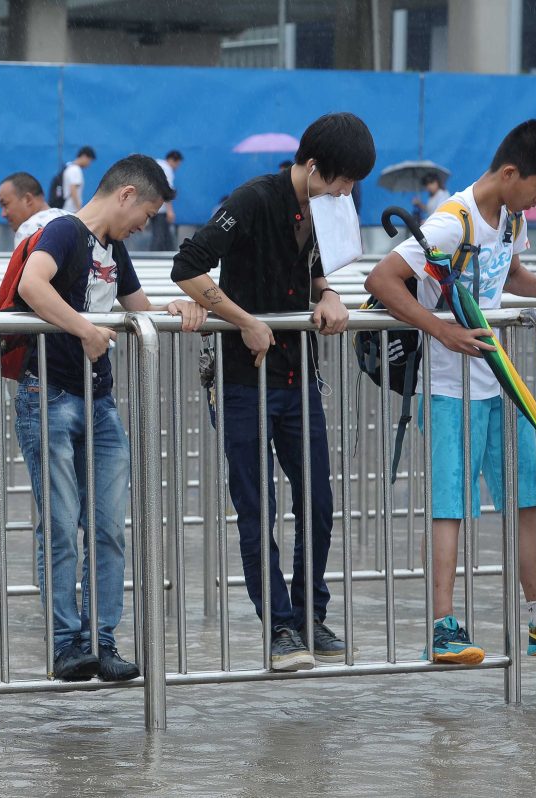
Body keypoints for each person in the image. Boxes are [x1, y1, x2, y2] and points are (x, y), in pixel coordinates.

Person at [366, 119, 536, 663]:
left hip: (498, 381)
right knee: (451, 507)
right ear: (509, 172)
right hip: (449, 388)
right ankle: (443, 627)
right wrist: (441, 329)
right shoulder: (451, 221)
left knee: (528, 497)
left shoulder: (511, 217)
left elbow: (509, 270)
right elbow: (380, 280)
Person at [172, 112, 375, 671]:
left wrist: (330, 293)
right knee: (257, 508)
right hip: (244, 380)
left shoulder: (328, 208)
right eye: (341, 181)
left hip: (297, 377)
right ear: (312, 168)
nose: (347, 192)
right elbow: (186, 266)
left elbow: (315, 269)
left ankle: (312, 614)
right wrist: (244, 319)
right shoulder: (254, 199)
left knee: (319, 503)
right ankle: (280, 628)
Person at [14, 154, 206, 681]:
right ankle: (66, 644)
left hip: (99, 401)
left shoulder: (113, 247)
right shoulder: (64, 233)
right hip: (49, 394)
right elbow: (33, 286)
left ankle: (101, 639)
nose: (144, 226)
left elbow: (136, 305)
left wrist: (173, 308)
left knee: (107, 526)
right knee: (59, 527)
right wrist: (84, 329)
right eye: (144, 215)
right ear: (125, 195)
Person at [0, 171, 67, 246]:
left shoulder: (29, 229)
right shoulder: (72, 218)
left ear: (27, 199)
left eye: (5, 204)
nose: (3, 214)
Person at [149, 150, 183, 251]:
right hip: (161, 209)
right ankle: (154, 258)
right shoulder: (167, 169)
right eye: (178, 164)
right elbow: (166, 191)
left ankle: (160, 254)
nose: (177, 167)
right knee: (160, 236)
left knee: (160, 234)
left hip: (150, 206)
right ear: (173, 160)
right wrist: (170, 211)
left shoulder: (157, 165)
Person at [62, 146, 97, 211]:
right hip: (71, 209)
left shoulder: (69, 167)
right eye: (89, 160)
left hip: (67, 207)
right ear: (84, 156)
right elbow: (73, 188)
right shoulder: (75, 169)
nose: (89, 164)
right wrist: (79, 208)